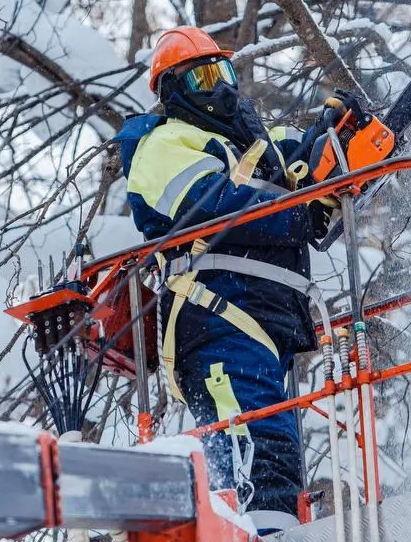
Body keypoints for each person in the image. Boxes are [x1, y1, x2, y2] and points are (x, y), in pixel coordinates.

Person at [113, 26, 345, 534]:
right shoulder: (161, 145)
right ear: (173, 90)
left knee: (278, 448)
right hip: (216, 317)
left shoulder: (260, 147)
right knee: (249, 451)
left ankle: (276, 528)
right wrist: (302, 211)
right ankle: (257, 532)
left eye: (224, 73)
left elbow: (308, 165)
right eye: (203, 77)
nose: (219, 87)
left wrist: (340, 141)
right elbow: (218, 208)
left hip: (267, 321)